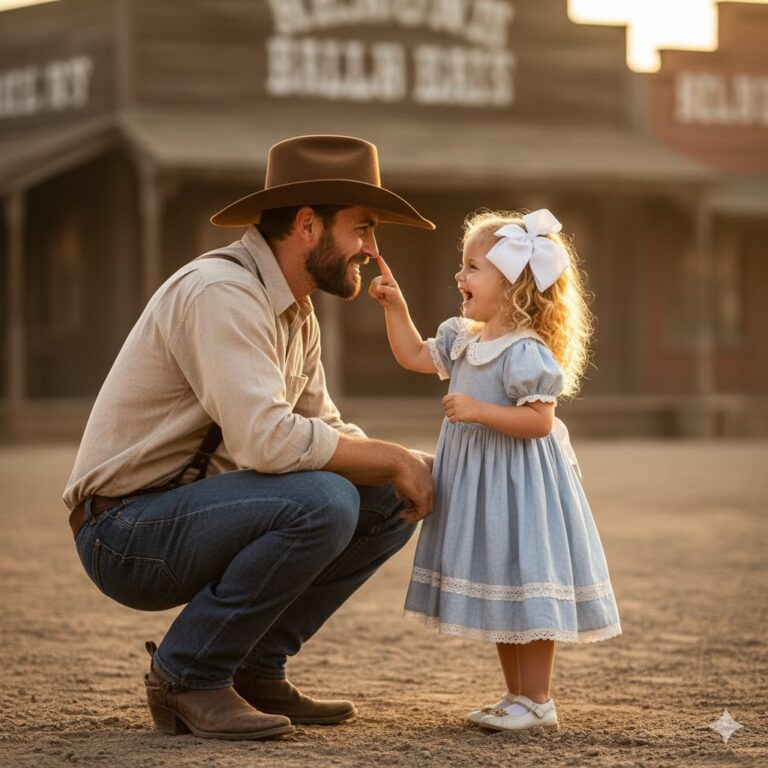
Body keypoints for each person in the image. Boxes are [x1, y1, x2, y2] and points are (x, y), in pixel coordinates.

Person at [63, 135, 437, 741]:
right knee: (324, 500)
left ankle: (253, 668)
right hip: (123, 532)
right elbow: (268, 442)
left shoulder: (294, 309)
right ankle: (188, 674)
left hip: (186, 516)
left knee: (384, 498)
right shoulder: (222, 293)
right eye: (363, 228)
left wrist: (413, 464)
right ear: (309, 225)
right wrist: (393, 457)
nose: (371, 249)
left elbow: (326, 426)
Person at [368, 208, 622, 732]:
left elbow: (539, 422)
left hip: (520, 489)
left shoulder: (524, 351)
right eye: (462, 268)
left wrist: (480, 411)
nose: (459, 277)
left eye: (472, 268)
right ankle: (516, 696)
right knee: (503, 588)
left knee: (527, 580)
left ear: (512, 286)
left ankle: (539, 700)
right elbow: (414, 354)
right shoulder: (464, 338)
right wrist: (395, 306)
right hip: (486, 492)